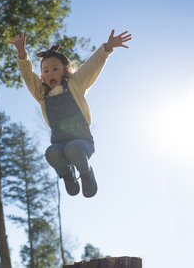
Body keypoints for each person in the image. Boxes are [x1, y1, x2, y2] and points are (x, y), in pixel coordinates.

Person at [9, 30, 131, 198]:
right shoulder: (41, 94)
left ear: (66, 71)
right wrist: (22, 54)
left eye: (54, 69)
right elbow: (28, 75)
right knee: (51, 152)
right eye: (45, 71)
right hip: (59, 145)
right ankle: (67, 175)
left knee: (72, 149)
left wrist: (107, 47)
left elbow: (91, 67)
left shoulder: (75, 84)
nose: (50, 73)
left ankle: (86, 174)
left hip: (82, 142)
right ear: (41, 77)